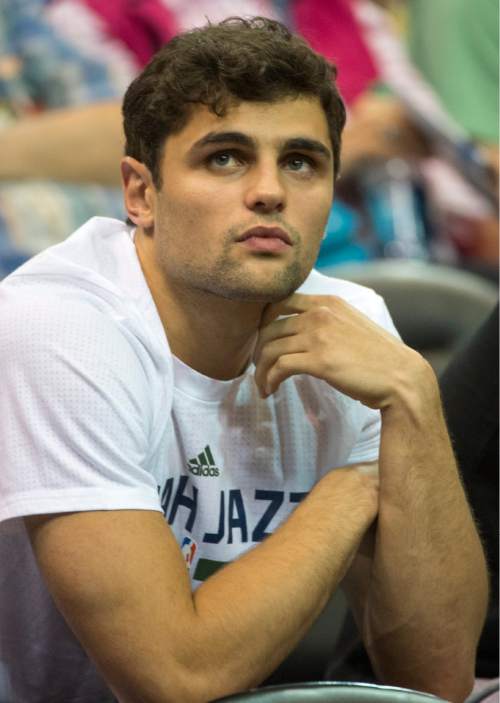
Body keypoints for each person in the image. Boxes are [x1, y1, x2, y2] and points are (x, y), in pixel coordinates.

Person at [0, 16, 488, 703]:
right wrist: (354, 487)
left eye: (301, 161)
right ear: (140, 193)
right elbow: (174, 677)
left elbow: (435, 676)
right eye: (224, 157)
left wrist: (415, 396)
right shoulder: (61, 328)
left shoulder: (352, 328)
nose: (269, 190)